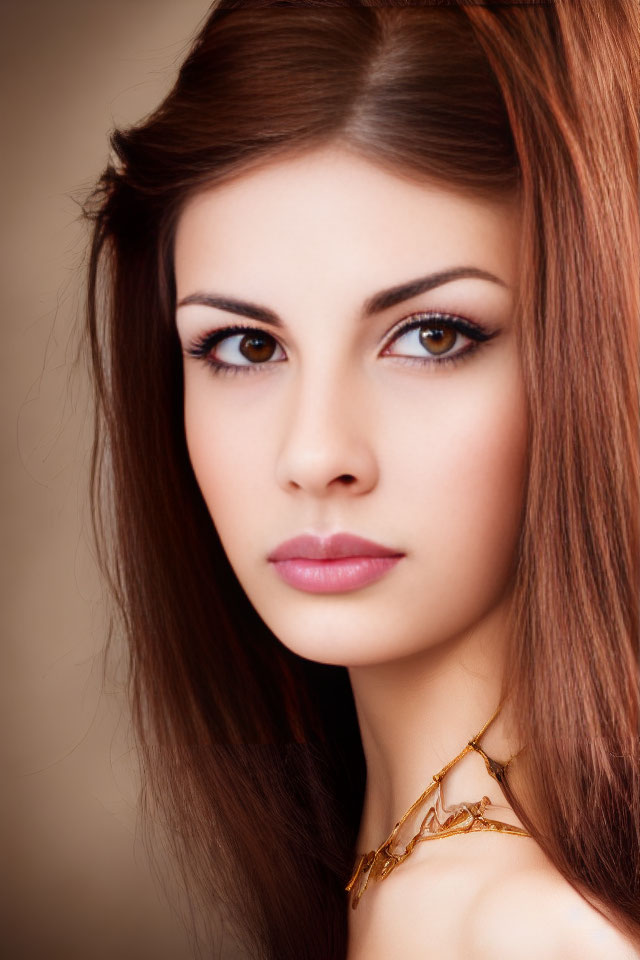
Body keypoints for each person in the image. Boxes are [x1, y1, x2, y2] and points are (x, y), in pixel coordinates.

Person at [82, 1, 640, 957]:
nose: (314, 454)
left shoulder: (521, 932)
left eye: (433, 336)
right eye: (245, 345)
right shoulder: (400, 867)